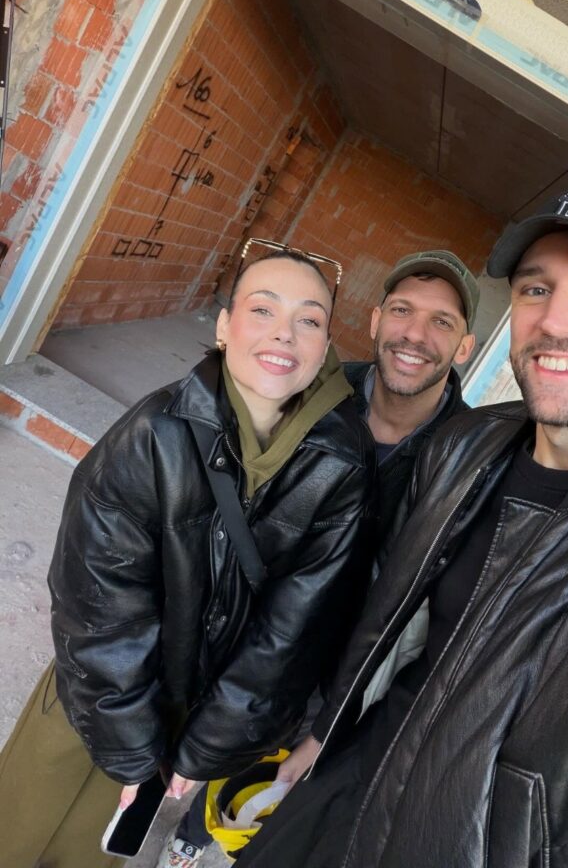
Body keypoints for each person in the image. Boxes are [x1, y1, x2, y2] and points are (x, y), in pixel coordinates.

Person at [237, 185, 568, 868]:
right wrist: (325, 731)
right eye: (536, 289)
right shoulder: (464, 445)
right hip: (337, 795)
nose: (557, 320)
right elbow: (392, 625)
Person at [0, 239, 376, 868]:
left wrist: (209, 745)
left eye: (309, 320)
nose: (284, 334)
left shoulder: (342, 464)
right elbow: (98, 602)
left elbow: (293, 629)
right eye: (262, 309)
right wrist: (131, 747)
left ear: (325, 345)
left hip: (193, 721)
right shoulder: (154, 432)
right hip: (96, 699)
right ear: (225, 327)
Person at [344, 249, 478, 555]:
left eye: (442, 322)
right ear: (375, 321)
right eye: (402, 310)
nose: (415, 335)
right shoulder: (315, 392)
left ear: (464, 348)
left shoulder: (471, 456)